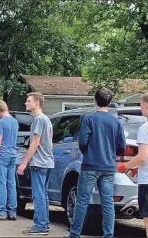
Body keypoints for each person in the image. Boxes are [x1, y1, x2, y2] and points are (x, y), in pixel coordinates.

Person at [67, 88, 126, 238]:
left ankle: (75, 233)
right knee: (107, 202)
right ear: (110, 102)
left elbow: (82, 141)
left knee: (82, 201)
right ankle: (108, 234)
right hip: (108, 167)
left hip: (90, 165)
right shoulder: (116, 122)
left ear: (95, 100)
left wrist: (88, 152)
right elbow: (121, 147)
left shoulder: (89, 119)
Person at [17, 92, 54, 235]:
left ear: (37, 102)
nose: (26, 103)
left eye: (28, 101)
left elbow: (35, 143)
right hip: (48, 162)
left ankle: (40, 225)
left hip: (39, 162)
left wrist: (23, 162)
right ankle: (44, 222)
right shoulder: (46, 119)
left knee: (38, 195)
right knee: (43, 194)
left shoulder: (38, 120)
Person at [117, 93, 148, 238]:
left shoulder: (145, 128)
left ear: (146, 105)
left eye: (141, 104)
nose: (141, 108)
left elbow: (142, 156)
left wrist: (125, 166)